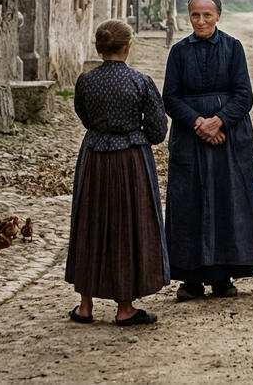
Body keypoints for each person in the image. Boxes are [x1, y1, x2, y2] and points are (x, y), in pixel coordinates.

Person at [65, 19, 169, 326]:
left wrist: (103, 130)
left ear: (99, 48)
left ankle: (85, 306)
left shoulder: (86, 81)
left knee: (90, 224)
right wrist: (134, 134)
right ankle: (125, 308)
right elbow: (158, 129)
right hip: (130, 161)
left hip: (94, 159)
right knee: (126, 225)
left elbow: (84, 115)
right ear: (127, 47)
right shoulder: (140, 81)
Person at [163, 0, 253, 300]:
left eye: (207, 15)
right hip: (189, 138)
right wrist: (198, 123)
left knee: (228, 201)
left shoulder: (233, 48)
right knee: (189, 204)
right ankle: (190, 280)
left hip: (229, 139)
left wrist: (219, 121)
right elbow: (170, 97)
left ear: (218, 16)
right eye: (195, 15)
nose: (201, 21)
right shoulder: (179, 52)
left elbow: (244, 95)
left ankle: (223, 277)